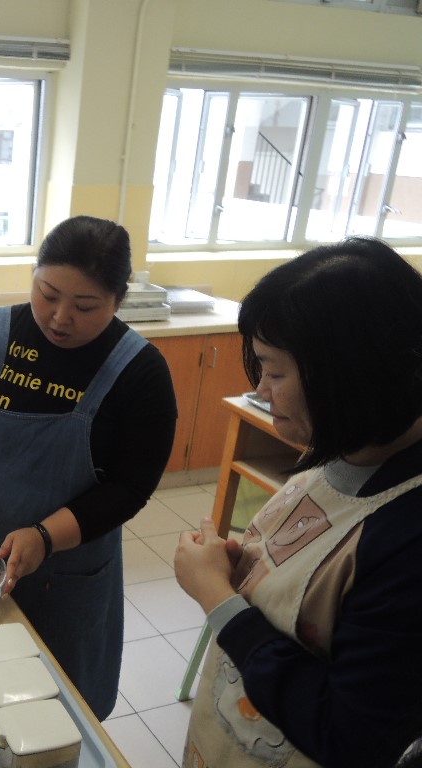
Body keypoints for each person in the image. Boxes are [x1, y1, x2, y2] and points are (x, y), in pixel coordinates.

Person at [0, 214, 177, 720]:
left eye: (85, 306)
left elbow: (130, 487)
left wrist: (44, 536)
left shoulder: (140, 372)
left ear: (118, 300)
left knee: (52, 713)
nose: (59, 318)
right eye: (47, 294)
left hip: (69, 576)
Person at [174, 238, 422, 768]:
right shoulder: (346, 447)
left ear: (348, 376)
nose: (261, 392)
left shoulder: (407, 538)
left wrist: (218, 598)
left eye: (274, 372)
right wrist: (247, 568)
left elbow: (349, 734)